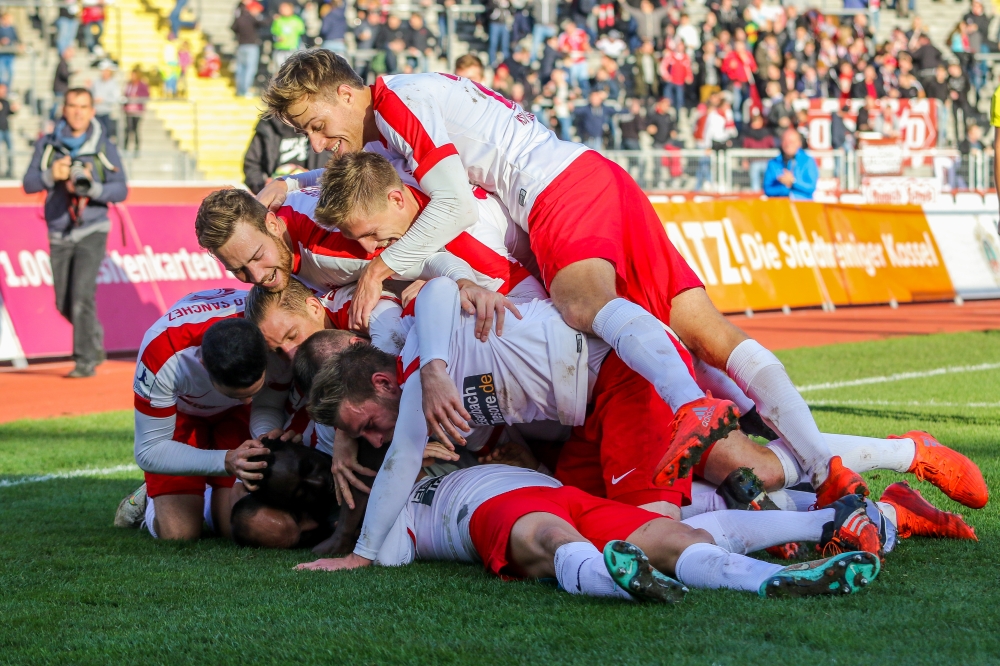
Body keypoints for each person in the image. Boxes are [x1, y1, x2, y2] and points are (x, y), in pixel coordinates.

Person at [256, 52, 871, 548]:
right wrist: (296, 182)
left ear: (343, 92)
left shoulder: (397, 105)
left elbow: (453, 205)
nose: (317, 141)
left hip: (555, 195)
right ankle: (832, 468)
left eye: (316, 125)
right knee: (707, 337)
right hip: (587, 179)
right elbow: (378, 175)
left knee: (584, 311)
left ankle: (701, 412)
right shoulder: (396, 113)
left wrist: (383, 267)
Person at [121, 303, 276, 541]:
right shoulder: (163, 350)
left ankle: (203, 492)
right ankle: (149, 499)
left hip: (238, 417)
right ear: (203, 365)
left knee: (235, 529)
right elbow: (149, 451)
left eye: (255, 390)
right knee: (179, 534)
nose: (247, 399)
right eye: (235, 394)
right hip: (182, 414)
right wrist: (225, 460)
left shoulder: (273, 328)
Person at [22, 88, 127, 378]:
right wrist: (50, 175)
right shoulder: (48, 145)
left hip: (93, 228)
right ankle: (93, 336)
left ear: (92, 111)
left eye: (84, 106)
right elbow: (29, 183)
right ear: (64, 109)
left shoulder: (104, 145)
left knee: (82, 296)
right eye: (72, 105)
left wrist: (92, 188)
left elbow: (121, 189)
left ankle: (84, 360)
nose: (78, 111)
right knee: (62, 301)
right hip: (58, 229)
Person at [243, 115, 334, 194]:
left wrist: (316, 181)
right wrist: (264, 187)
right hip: (276, 198)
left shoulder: (321, 122)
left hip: (314, 196)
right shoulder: (268, 125)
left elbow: (336, 164)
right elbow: (252, 164)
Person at [762, 128, 817, 200]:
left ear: (799, 143)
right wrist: (785, 188)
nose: (788, 144)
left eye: (792, 141)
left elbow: (811, 187)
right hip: (780, 207)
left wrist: (794, 182)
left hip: (803, 206)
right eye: (785, 141)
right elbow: (767, 189)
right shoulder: (773, 163)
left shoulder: (808, 161)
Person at [232, 0, 263, 98]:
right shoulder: (252, 18)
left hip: (241, 45)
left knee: (241, 68)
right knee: (250, 69)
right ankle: (246, 90)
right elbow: (263, 23)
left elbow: (233, 27)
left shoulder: (239, 17)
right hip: (251, 46)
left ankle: (240, 90)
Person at [270, 1, 305, 72]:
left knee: (293, 71)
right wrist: (277, 38)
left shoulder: (297, 21)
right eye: (280, 8)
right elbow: (273, 34)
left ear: (290, 9)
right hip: (280, 50)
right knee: (279, 71)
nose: (281, 10)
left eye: (284, 8)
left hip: (293, 50)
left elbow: (302, 35)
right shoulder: (278, 20)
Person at [122, 67, 149, 156]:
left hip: (137, 111)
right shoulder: (129, 84)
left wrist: (137, 96)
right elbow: (125, 94)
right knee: (128, 129)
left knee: (136, 130)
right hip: (129, 110)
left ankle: (136, 148)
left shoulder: (141, 85)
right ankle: (125, 147)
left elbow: (146, 95)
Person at [90, 62, 120, 141]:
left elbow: (115, 98)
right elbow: (92, 93)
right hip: (96, 111)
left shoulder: (113, 84)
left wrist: (103, 100)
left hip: (106, 112)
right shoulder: (96, 82)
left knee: (107, 133)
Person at [51, 47, 73, 121]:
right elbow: (64, 74)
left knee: (58, 105)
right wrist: (73, 73)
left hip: (60, 88)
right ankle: (52, 120)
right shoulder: (62, 63)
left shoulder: (63, 63)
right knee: (57, 106)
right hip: (60, 89)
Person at [0, 83, 16, 178]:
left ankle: (10, 170)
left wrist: (14, 110)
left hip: (6, 129)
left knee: (10, 150)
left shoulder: (6, 102)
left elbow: (9, 113)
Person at [0, 12, 20, 88]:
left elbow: (16, 38)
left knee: (10, 72)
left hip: (10, 54)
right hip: (2, 54)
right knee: (1, 72)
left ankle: (7, 89)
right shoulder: (1, 29)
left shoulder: (12, 29)